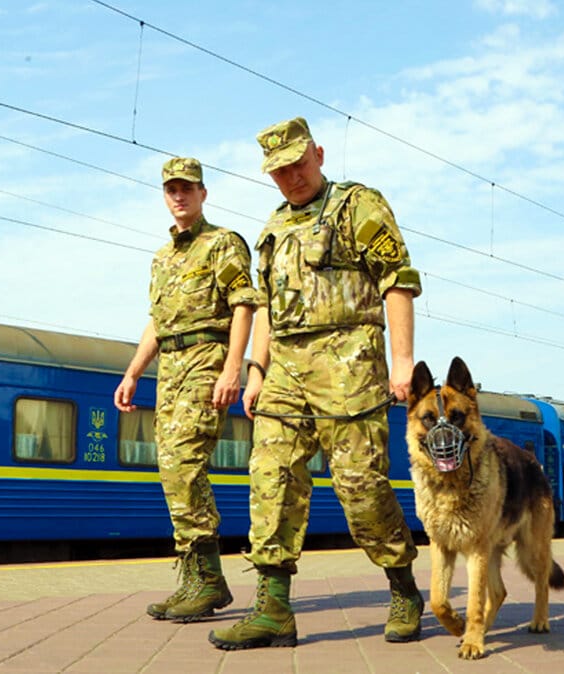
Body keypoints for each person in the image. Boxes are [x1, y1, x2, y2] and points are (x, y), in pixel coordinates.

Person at [208, 118, 424, 650]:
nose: (290, 178)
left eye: (297, 165)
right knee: (271, 477)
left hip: (350, 361)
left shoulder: (358, 206)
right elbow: (267, 310)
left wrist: (403, 361)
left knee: (360, 487)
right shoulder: (273, 227)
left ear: (319, 155)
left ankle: (403, 588)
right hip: (285, 367)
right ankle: (273, 608)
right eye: (278, 172)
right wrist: (256, 370)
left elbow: (397, 280)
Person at [115, 156, 257, 623]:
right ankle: (194, 576)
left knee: (184, 463)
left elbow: (243, 306)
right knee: (171, 467)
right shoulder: (163, 257)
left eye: (187, 188)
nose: (179, 195)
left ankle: (209, 580)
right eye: (171, 189)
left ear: (203, 194)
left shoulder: (223, 244)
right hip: (170, 369)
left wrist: (232, 367)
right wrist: (134, 371)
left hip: (205, 361)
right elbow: (157, 321)